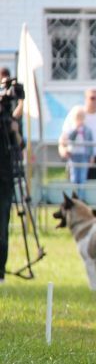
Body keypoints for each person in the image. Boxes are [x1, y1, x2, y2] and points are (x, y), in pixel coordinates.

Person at [0, 67, 25, 284]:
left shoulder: (7, 117)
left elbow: (19, 144)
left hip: (4, 176)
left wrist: (14, 126)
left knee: (2, 224)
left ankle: (0, 272)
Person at [62, 88, 96, 181]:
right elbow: (64, 134)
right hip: (76, 156)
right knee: (75, 183)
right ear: (86, 98)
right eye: (92, 98)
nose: (95, 101)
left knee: (93, 188)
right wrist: (62, 149)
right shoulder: (76, 112)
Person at [58, 105, 93, 201]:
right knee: (74, 177)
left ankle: (81, 198)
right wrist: (76, 129)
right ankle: (74, 197)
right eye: (78, 117)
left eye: (82, 117)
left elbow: (90, 143)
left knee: (82, 178)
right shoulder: (71, 129)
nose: (80, 119)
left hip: (83, 156)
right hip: (73, 156)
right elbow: (70, 139)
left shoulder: (88, 130)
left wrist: (91, 156)